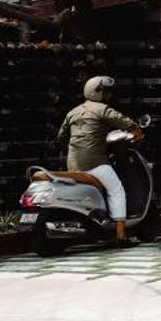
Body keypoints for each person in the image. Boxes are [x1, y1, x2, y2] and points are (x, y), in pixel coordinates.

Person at [56, 75, 142, 243]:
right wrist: (136, 129)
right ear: (98, 92)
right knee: (116, 190)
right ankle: (121, 234)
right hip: (94, 162)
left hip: (73, 163)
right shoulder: (102, 109)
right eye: (106, 92)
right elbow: (121, 120)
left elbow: (61, 137)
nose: (109, 96)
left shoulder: (72, 112)